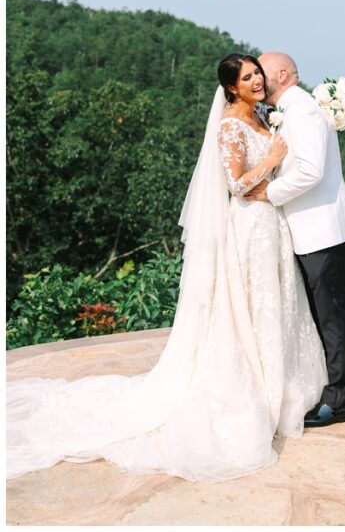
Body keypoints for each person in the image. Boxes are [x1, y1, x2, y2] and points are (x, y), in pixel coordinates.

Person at [7, 53, 327, 482]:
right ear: (231, 88)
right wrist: (271, 162)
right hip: (249, 229)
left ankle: (282, 384)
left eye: (256, 74)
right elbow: (236, 185)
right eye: (246, 77)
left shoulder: (263, 117)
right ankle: (254, 391)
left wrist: (274, 161)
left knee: (277, 305)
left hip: (272, 226)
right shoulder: (231, 124)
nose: (255, 81)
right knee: (251, 309)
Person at [247, 52, 345, 427]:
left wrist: (270, 193)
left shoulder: (305, 111)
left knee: (332, 315)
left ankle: (339, 401)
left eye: (262, 72)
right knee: (319, 314)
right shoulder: (289, 110)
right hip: (308, 230)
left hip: (324, 229)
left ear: (281, 74)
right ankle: (326, 387)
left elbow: (312, 172)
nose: (259, 81)